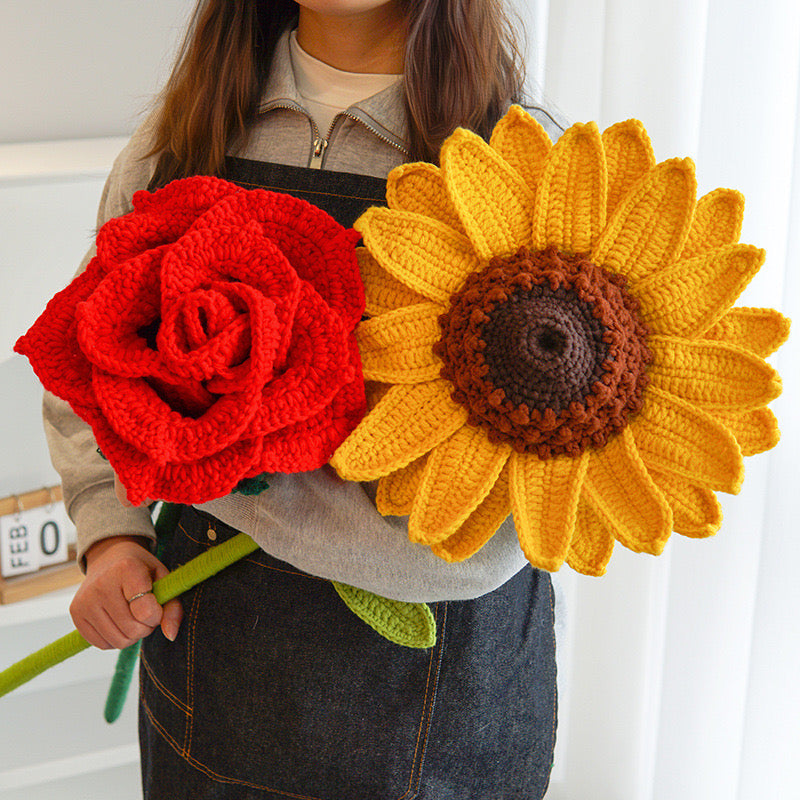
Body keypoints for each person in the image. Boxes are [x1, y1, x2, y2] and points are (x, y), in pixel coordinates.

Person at [46, 1, 565, 797]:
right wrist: (108, 534)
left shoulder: (523, 162)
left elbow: (559, 469)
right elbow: (90, 363)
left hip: (444, 690)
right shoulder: (183, 143)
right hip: (213, 658)